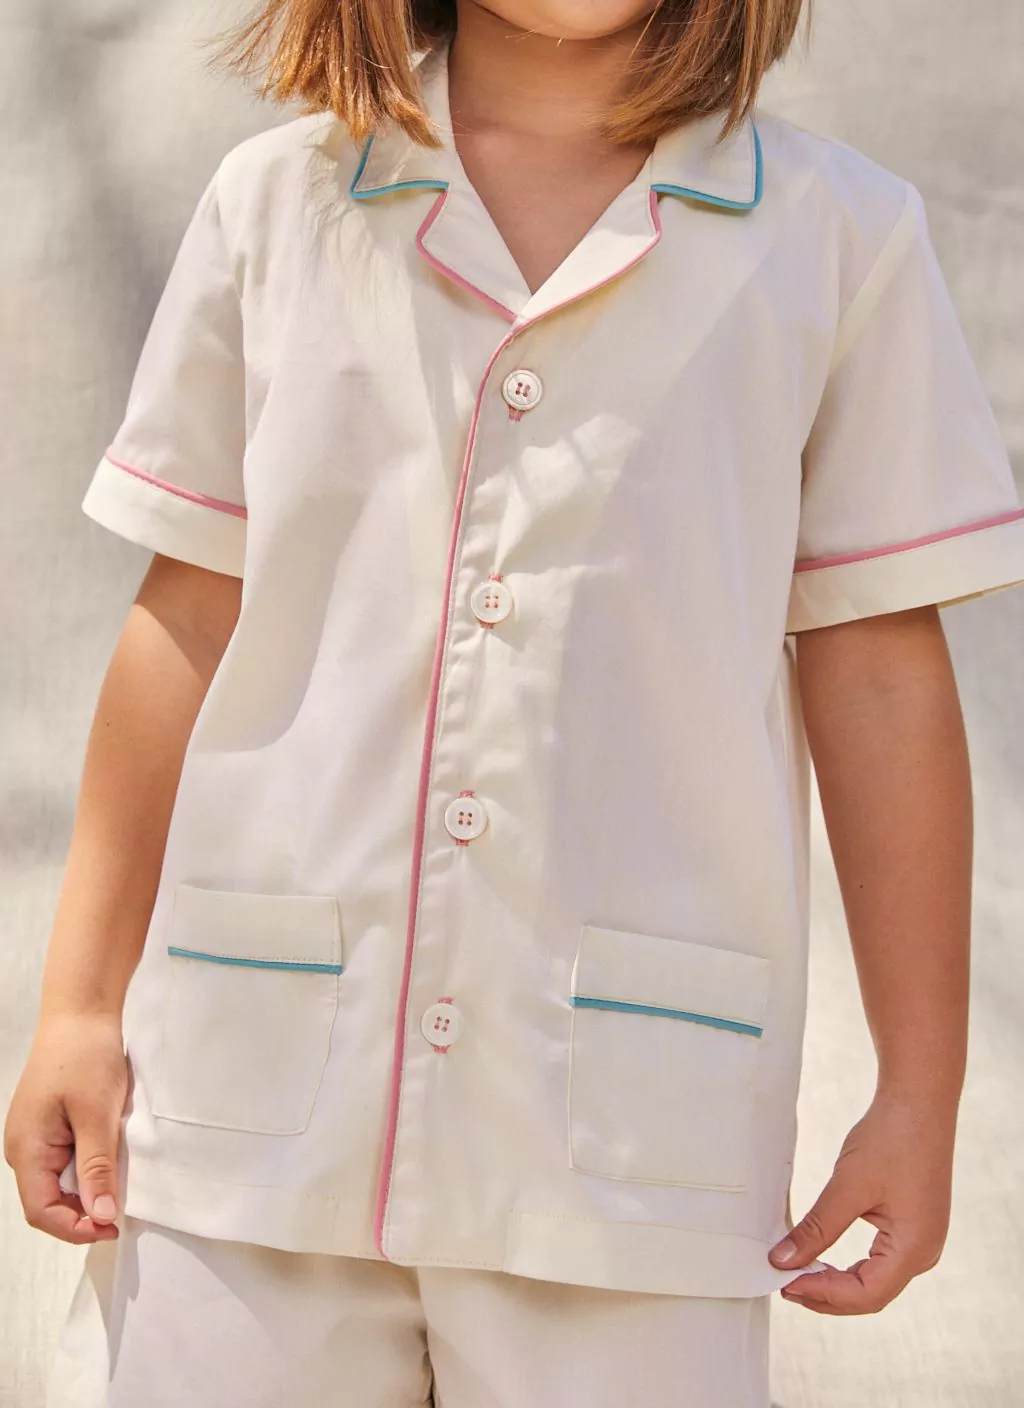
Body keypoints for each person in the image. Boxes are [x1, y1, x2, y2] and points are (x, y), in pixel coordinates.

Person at [6, 0, 1024, 1403]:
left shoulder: (841, 237)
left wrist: (919, 1089)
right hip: (249, 1123)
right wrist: (76, 1005)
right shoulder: (277, 202)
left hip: (627, 1166)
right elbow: (185, 616)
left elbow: (883, 679)